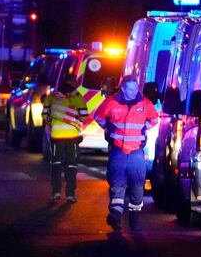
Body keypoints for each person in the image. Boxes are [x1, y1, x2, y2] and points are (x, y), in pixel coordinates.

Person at [94, 75, 159, 233]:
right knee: (117, 184)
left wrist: (142, 130)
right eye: (130, 89)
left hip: (136, 152)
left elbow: (155, 119)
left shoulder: (144, 103)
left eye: (136, 88)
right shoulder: (111, 102)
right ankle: (115, 215)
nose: (134, 91)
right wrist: (109, 129)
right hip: (118, 152)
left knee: (137, 186)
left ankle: (134, 221)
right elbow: (99, 117)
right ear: (122, 88)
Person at [42, 73, 89, 202]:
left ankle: (56, 193)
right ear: (72, 82)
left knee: (56, 165)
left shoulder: (51, 96)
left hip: (56, 137)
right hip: (72, 137)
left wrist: (51, 125)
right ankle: (70, 194)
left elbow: (45, 115)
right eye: (75, 82)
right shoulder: (77, 97)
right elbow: (84, 116)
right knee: (71, 166)